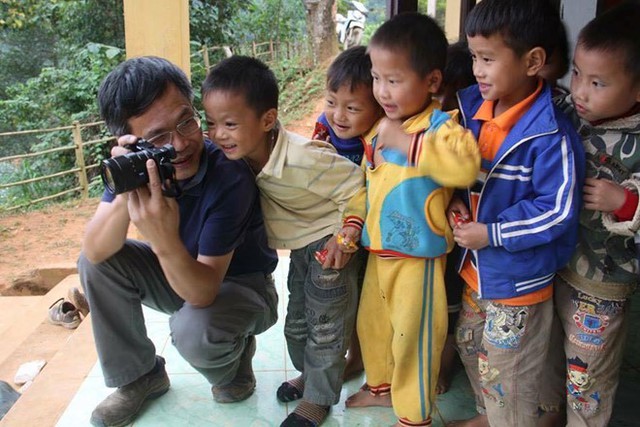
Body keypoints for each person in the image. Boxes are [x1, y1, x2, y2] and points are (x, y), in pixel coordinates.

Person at [78, 56, 279, 427]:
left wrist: (163, 237)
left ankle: (235, 361)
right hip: (181, 277)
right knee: (97, 263)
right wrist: (128, 186)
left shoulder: (228, 173)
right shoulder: (142, 164)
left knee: (194, 328)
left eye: (187, 120)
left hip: (243, 286)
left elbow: (202, 292)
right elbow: (94, 250)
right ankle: (140, 376)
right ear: (130, 140)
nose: (180, 143)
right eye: (157, 137)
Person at [201, 55, 365, 427]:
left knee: (325, 326)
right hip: (300, 248)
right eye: (211, 123)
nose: (218, 135)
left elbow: (359, 185)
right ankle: (311, 377)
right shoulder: (241, 158)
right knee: (297, 324)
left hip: (330, 244)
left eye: (229, 124)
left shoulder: (305, 159)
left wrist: (346, 237)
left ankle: (318, 400)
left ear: (267, 120)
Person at [336, 13, 481, 427]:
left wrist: (410, 145)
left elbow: (464, 167)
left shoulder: (442, 126)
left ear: (432, 82)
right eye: (377, 78)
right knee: (374, 327)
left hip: (419, 261)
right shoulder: (381, 129)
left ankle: (414, 415)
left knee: (415, 339)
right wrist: (352, 222)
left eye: (393, 80)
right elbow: (369, 187)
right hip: (380, 253)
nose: (381, 91)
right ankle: (380, 388)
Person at [447, 1, 585, 426]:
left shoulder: (550, 135)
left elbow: (557, 210)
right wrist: (456, 200)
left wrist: (492, 233)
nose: (477, 70)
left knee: (509, 372)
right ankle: (493, 417)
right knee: (471, 348)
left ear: (533, 62)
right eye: (474, 57)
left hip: (517, 282)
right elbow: (465, 173)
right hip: (477, 271)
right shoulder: (471, 109)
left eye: (488, 59)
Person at [539, 3, 640, 426]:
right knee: (544, 352)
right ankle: (546, 413)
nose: (580, 91)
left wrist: (626, 202)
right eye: (577, 73)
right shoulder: (565, 113)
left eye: (597, 82)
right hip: (552, 263)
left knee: (588, 372)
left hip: (603, 282)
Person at [311, 45, 383, 382]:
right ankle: (339, 355)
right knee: (340, 296)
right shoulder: (324, 130)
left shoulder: (379, 140)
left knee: (366, 298)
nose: (338, 115)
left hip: (369, 231)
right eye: (331, 103)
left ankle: (359, 356)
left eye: (352, 108)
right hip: (331, 225)